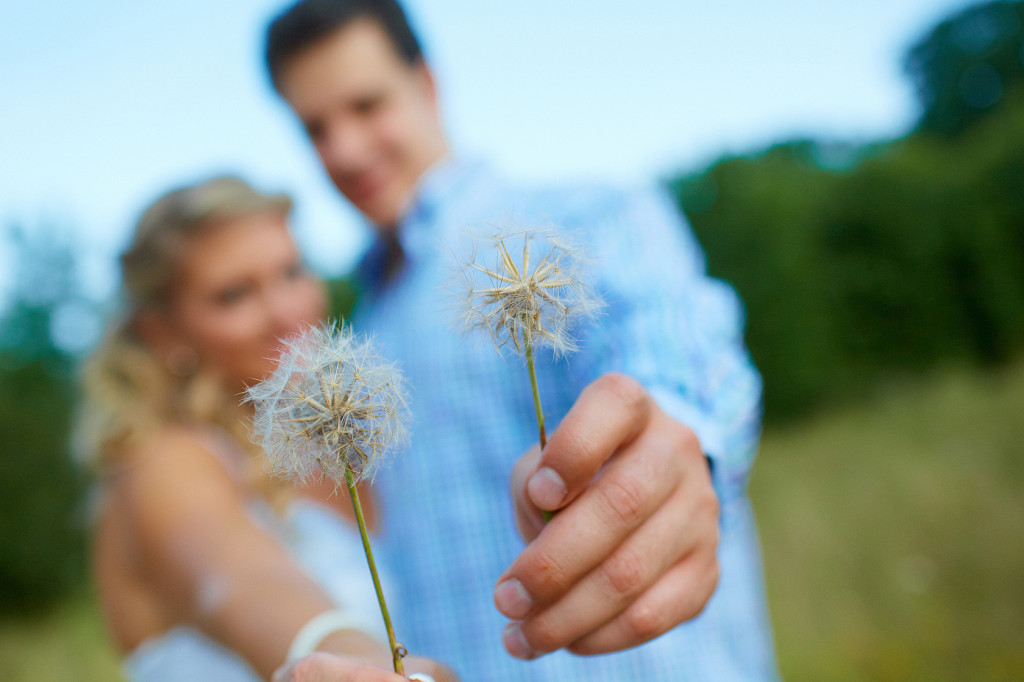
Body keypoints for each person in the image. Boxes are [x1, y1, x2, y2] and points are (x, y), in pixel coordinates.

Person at [264, 1, 779, 679]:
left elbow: (675, 351)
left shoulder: (590, 216)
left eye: (366, 105)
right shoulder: (357, 330)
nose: (344, 150)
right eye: (315, 129)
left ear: (427, 83)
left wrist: (680, 447)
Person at [79, 176, 456, 682]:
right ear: (162, 331)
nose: (286, 312)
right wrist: (351, 663)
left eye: (293, 272)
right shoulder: (163, 463)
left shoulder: (345, 456)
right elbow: (240, 585)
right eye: (234, 295)